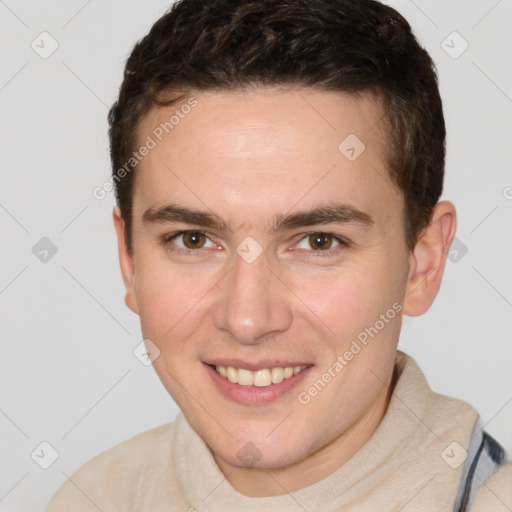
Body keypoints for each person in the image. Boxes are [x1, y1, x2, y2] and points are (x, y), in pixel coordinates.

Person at [45, 0, 511, 510]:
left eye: (318, 241)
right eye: (194, 239)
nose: (247, 319)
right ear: (130, 260)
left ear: (423, 263)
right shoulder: (89, 498)